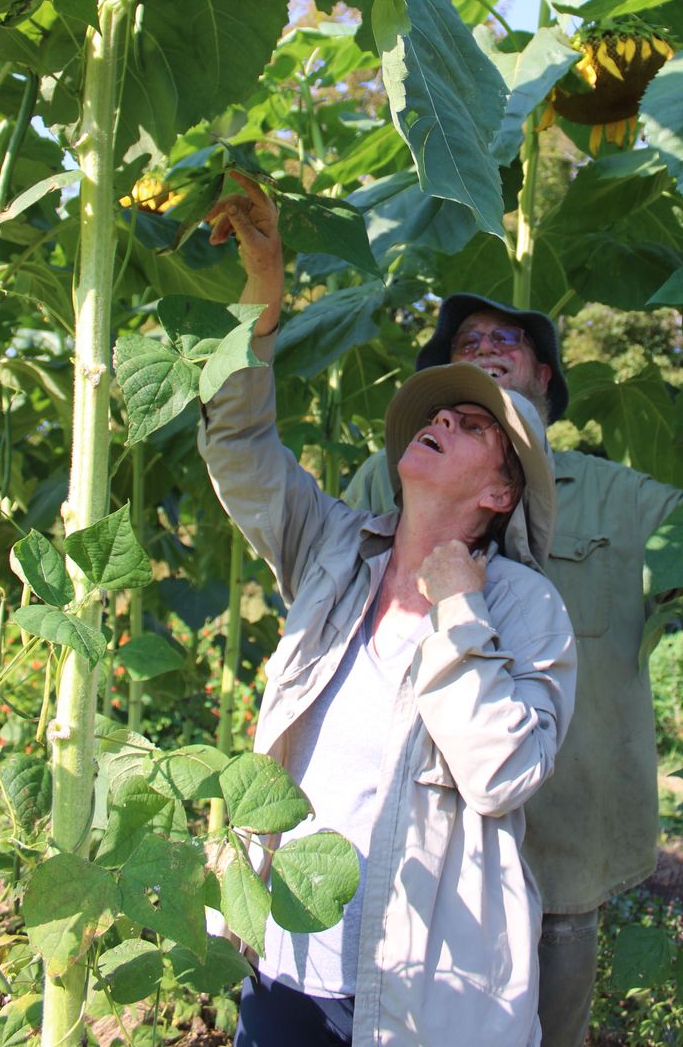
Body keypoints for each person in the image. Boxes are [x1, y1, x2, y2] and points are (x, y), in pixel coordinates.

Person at [199, 175, 576, 1047]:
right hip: (283, 958)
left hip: (419, 997)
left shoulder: (528, 611)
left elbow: (503, 774)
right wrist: (261, 296)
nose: (443, 414)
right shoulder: (331, 546)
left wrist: (459, 615)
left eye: (474, 425)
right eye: (441, 409)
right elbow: (237, 443)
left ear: (500, 489)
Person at [345, 293, 683, 1047]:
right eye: (467, 341)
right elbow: (328, 590)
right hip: (404, 845)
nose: (484, 347)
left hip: (558, 848)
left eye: (506, 339)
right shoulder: (391, 478)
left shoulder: (610, 492)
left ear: (544, 376)